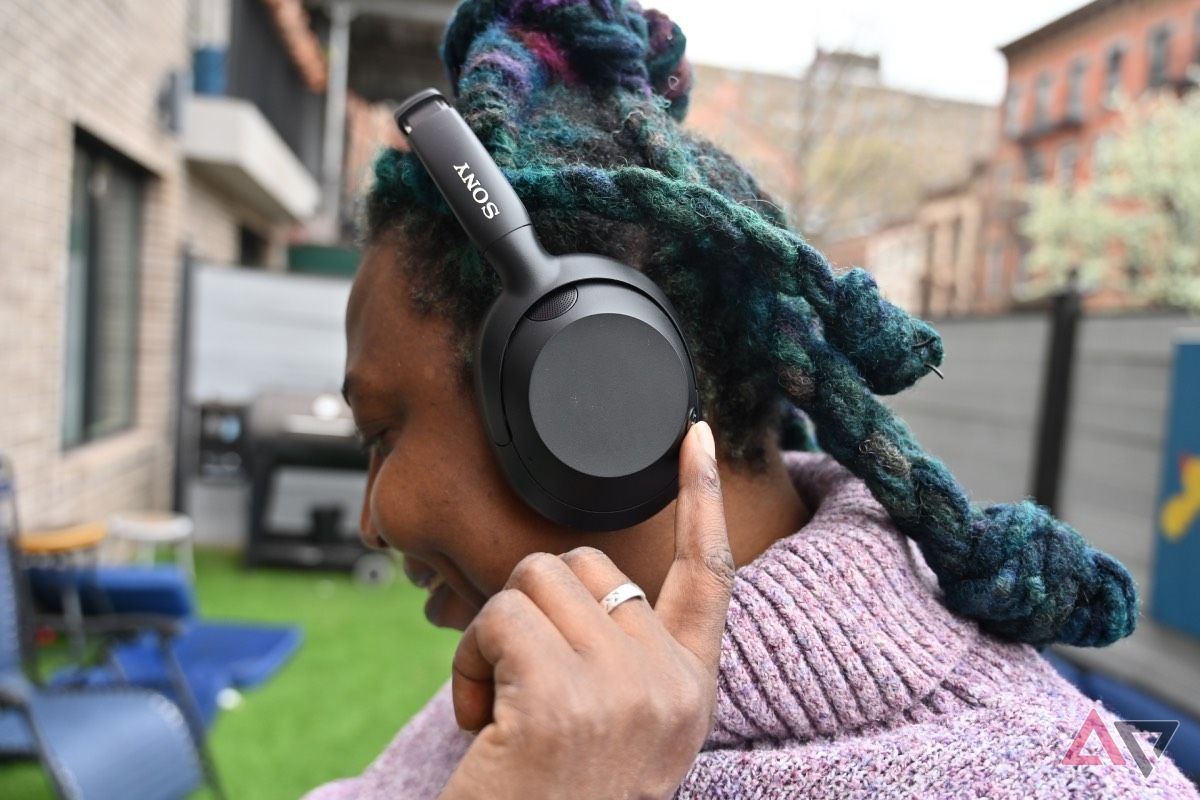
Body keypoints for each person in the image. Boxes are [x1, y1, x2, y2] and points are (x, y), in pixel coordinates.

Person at [306, 1, 1198, 797]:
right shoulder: (553, 672)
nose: (371, 525)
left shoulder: (1053, 775)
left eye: (380, 432)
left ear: (582, 392)